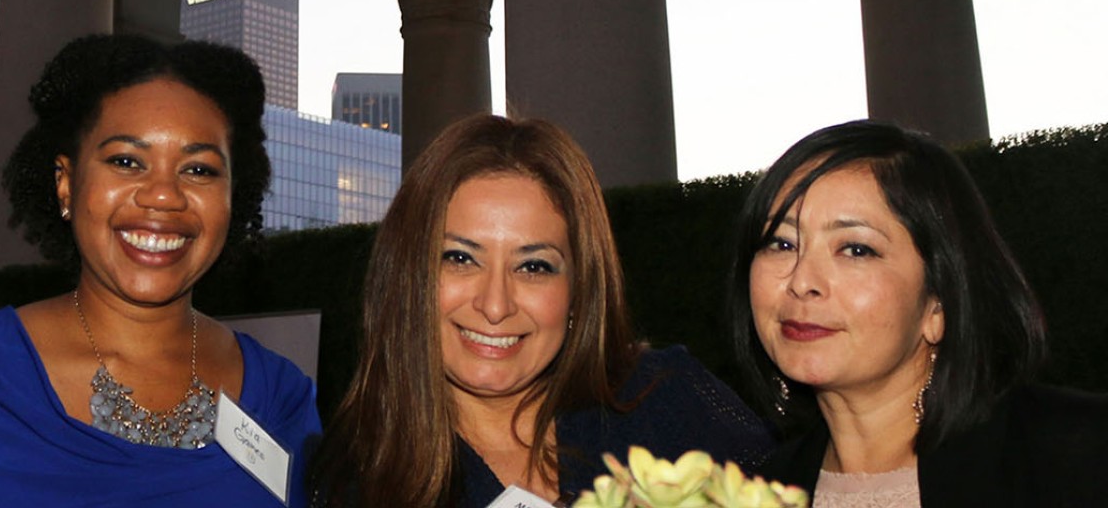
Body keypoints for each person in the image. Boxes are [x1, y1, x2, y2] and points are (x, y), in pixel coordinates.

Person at [0, 34, 321, 506]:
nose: (164, 195)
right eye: (126, 161)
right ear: (66, 184)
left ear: (234, 197)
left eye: (199, 170)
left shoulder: (283, 398)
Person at [730, 120, 1108, 506]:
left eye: (856, 249)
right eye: (781, 242)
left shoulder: (1082, 458)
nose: (801, 280)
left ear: (939, 304)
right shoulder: (750, 493)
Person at [314, 115, 773, 507]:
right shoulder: (354, 481)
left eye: (534, 266)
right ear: (408, 277)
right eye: (459, 258)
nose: (495, 305)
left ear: (579, 291)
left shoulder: (670, 402)